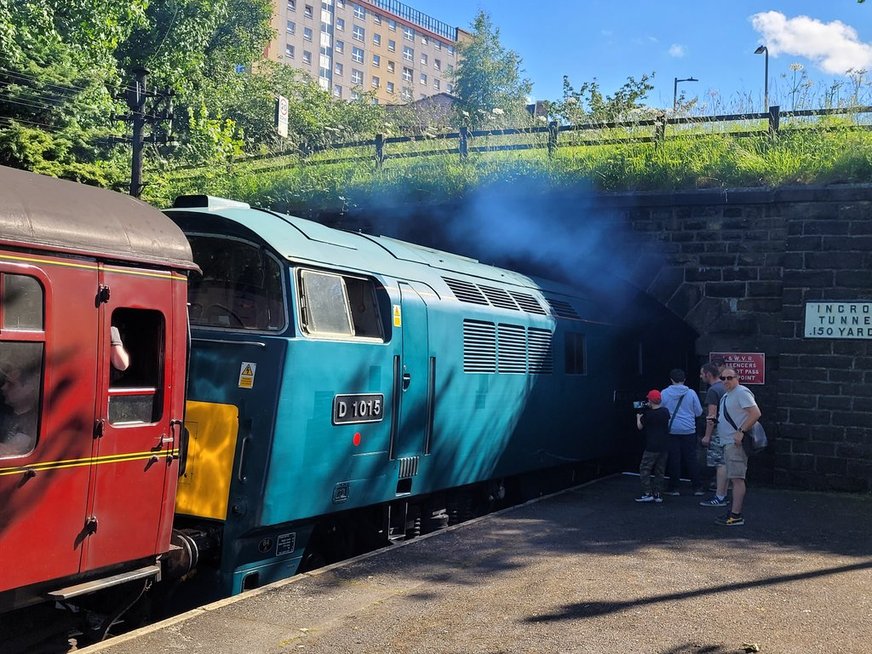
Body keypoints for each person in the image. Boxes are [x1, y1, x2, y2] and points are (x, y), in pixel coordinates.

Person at [714, 368, 762, 526]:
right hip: (728, 441)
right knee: (734, 478)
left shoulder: (741, 392)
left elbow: (755, 413)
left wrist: (741, 431)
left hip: (735, 443)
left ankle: (736, 515)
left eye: (730, 377)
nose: (726, 380)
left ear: (737, 378)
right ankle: (734, 513)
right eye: (723, 378)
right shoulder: (728, 395)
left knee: (737, 479)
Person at [661, 368, 703, 496]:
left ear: (671, 379)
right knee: (691, 458)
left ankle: (674, 488)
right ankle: (697, 487)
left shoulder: (664, 393)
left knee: (674, 459)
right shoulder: (691, 393)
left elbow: (661, 410)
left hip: (672, 429)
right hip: (689, 429)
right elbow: (699, 412)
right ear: (684, 379)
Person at [699, 362, 728, 507]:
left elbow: (711, 416)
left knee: (719, 463)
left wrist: (707, 436)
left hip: (718, 431)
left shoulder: (712, 391)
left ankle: (719, 496)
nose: (700, 376)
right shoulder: (725, 386)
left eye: (701, 373)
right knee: (725, 462)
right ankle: (724, 493)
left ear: (708, 374)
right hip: (729, 430)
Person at [634, 390, 671, 503]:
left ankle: (647, 492)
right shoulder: (665, 411)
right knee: (660, 470)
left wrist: (638, 417)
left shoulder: (648, 414)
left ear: (650, 400)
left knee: (645, 468)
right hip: (664, 445)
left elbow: (640, 427)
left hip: (652, 445)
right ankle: (658, 494)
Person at [0, 362, 39, 456]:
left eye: (11, 384)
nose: (3, 388)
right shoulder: (5, 412)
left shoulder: (33, 422)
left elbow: (9, 453)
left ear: (28, 388)